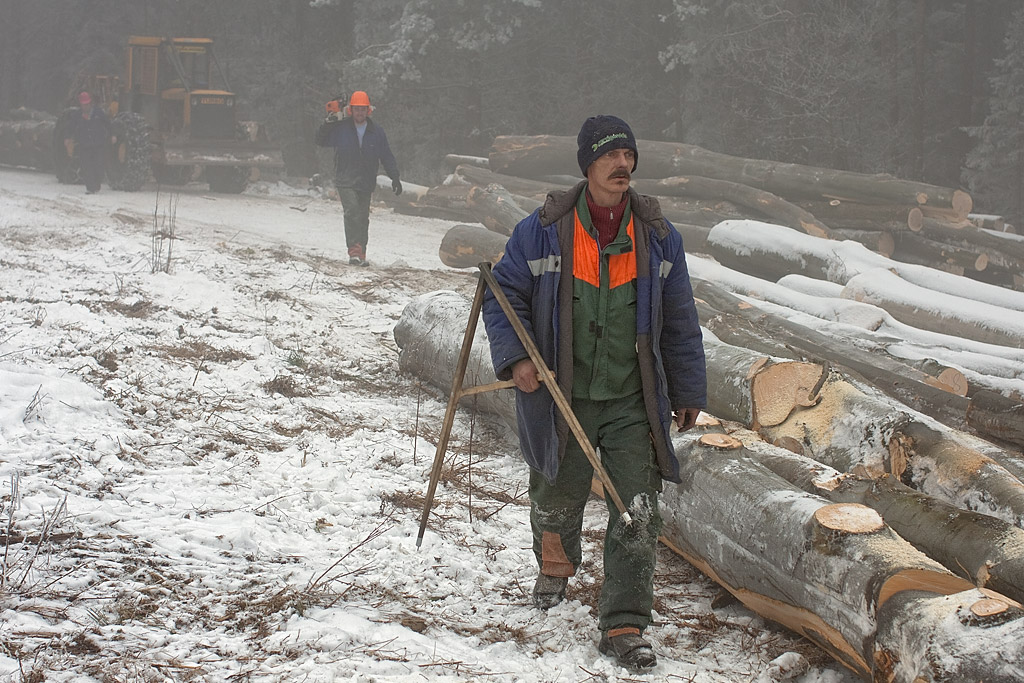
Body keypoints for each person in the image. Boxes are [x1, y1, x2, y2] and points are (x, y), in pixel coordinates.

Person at [481, 115, 706, 673]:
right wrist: (517, 357)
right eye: (610, 155)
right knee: (556, 495)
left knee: (638, 511)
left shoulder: (658, 237)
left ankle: (625, 623)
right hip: (563, 395)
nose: (622, 165)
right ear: (587, 165)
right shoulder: (543, 231)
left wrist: (687, 389)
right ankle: (555, 567)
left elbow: (680, 319)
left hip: (633, 400)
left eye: (628, 155)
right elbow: (502, 294)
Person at [315, 90, 402, 266]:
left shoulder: (376, 132)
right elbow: (320, 140)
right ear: (351, 110)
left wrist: (395, 177)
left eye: (363, 109)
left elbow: (386, 155)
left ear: (368, 110)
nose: (360, 112)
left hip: (366, 179)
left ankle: (361, 253)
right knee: (352, 211)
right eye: (357, 109)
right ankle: (354, 252)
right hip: (345, 177)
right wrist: (328, 123)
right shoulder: (341, 128)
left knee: (363, 216)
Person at [65, 91, 115, 194]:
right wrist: (67, 138)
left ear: (90, 103)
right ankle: (90, 188)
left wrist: (113, 134)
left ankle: (96, 185)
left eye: (87, 104)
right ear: (81, 104)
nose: (85, 106)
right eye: (84, 105)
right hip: (84, 145)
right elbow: (71, 127)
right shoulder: (77, 115)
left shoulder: (98, 113)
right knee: (86, 167)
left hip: (98, 144)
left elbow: (107, 123)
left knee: (99, 166)